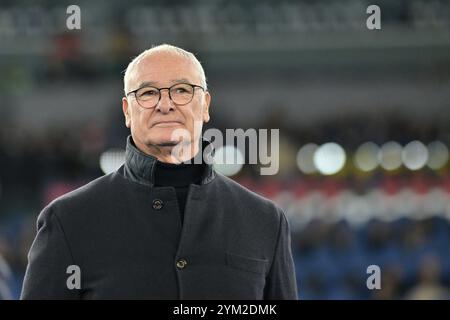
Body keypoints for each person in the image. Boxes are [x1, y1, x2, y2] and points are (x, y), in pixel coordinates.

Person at [21, 44, 298, 299]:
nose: (165, 104)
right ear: (127, 111)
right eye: (148, 92)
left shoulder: (265, 221)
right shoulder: (68, 220)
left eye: (181, 90)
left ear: (205, 106)